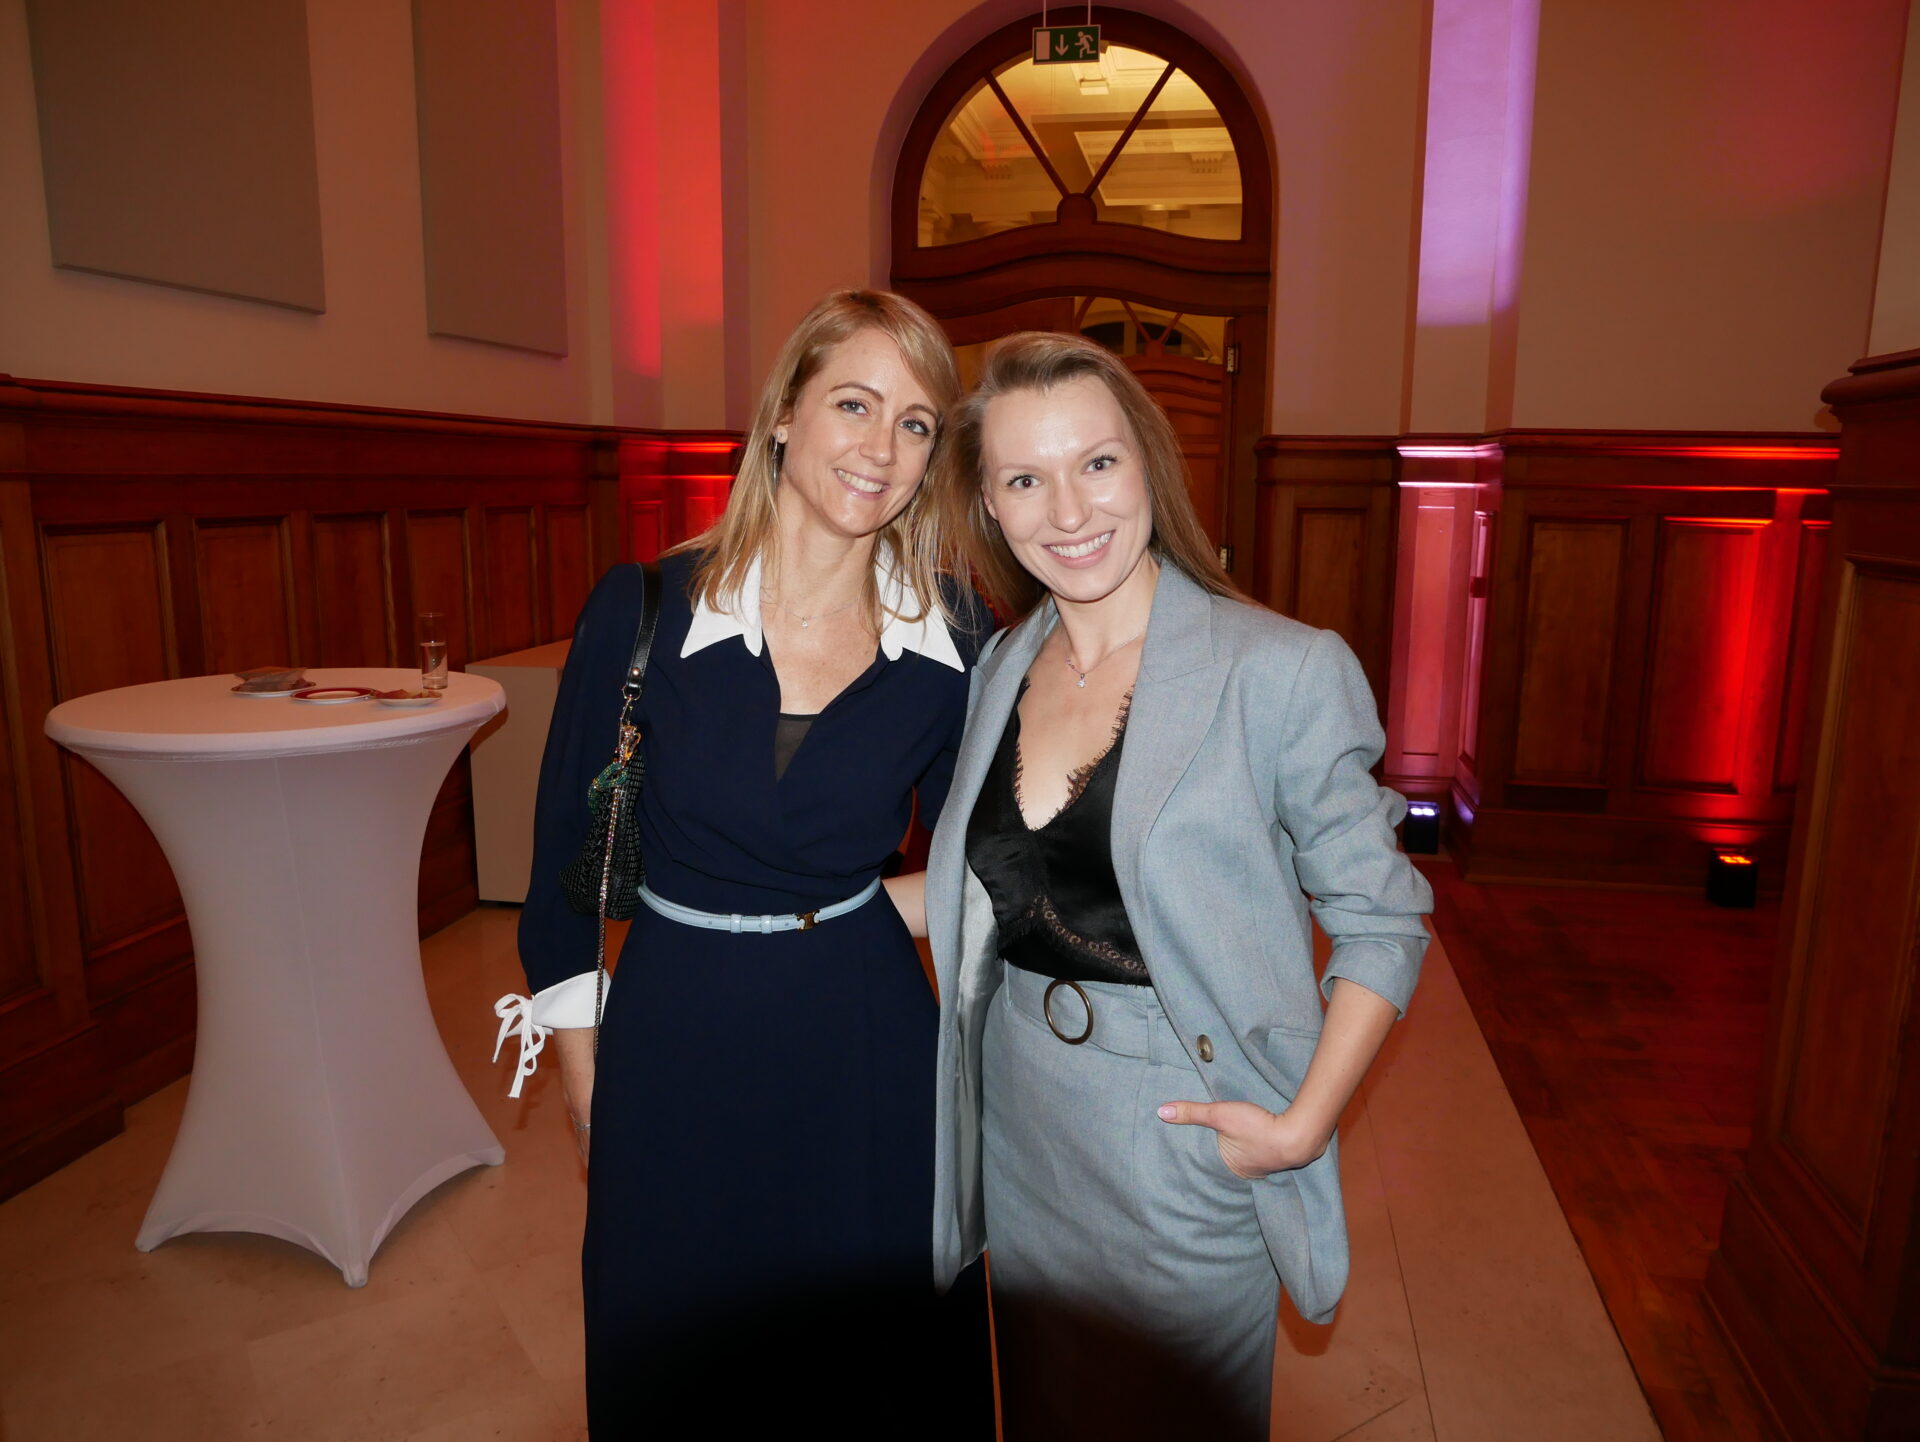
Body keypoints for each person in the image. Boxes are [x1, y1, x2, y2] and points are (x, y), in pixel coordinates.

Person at [496, 290, 994, 1437]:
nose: (882, 447)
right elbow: (570, 863)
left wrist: (860, 910)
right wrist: (582, 1067)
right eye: (855, 404)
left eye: (916, 423)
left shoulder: (953, 637)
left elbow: (990, 857)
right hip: (677, 1028)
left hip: (867, 1037)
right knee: (681, 1348)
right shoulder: (644, 609)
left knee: (869, 1367)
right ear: (783, 416)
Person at [925, 332, 1434, 1440]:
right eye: (1026, 480)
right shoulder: (1001, 665)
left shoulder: (1279, 669)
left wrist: (1300, 1127)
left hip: (1180, 1129)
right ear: (991, 507)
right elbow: (1003, 881)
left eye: (1097, 463)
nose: (1069, 509)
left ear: (1149, 465)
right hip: (1022, 1123)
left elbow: (1384, 919)